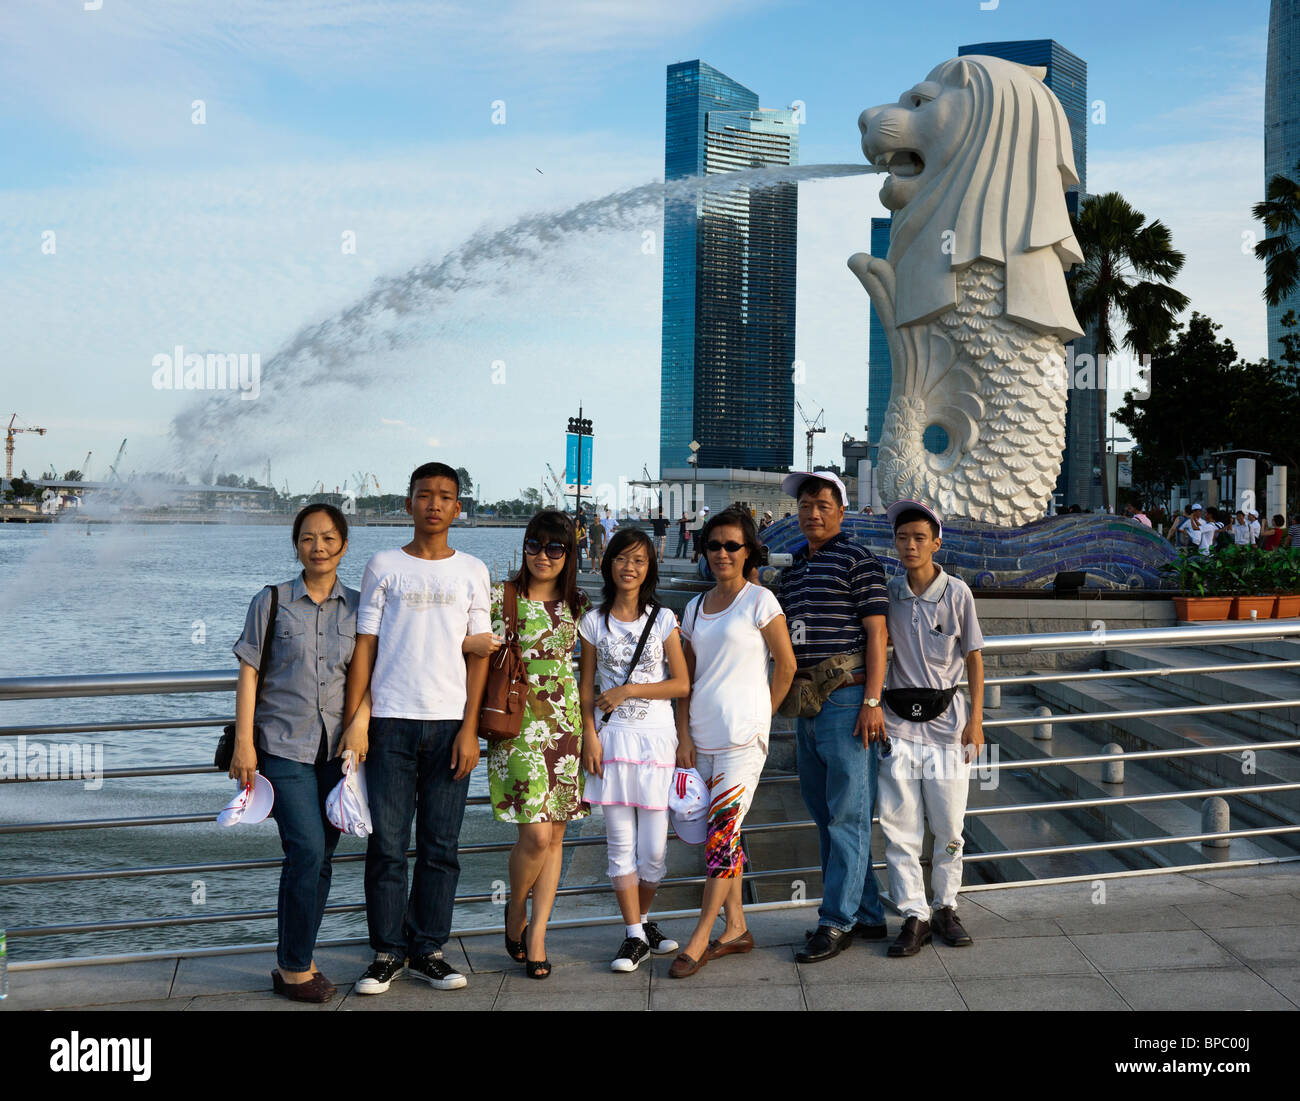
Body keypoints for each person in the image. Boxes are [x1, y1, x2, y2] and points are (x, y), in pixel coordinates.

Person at [345, 462, 490, 995]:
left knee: (440, 845)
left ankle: (428, 948)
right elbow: (366, 647)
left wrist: (470, 728)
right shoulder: (383, 564)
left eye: (445, 496)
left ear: (457, 507)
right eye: (424, 495)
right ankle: (387, 951)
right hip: (389, 725)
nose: (433, 504)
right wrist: (355, 718)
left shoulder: (473, 570)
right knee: (385, 844)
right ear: (408, 504)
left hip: (451, 723)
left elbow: (480, 656)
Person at [230, 504, 370, 1003]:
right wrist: (244, 743)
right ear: (297, 545)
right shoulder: (270, 602)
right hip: (281, 748)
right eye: (308, 538)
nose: (318, 547)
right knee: (307, 850)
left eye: (329, 538)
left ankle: (302, 958)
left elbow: (367, 677)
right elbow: (249, 672)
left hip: (337, 753)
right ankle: (292, 968)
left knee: (324, 859)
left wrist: (360, 727)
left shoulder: (358, 607)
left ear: (344, 546)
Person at [670, 507, 796, 977]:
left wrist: (762, 716)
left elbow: (785, 665)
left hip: (743, 741)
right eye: (714, 545)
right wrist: (683, 735)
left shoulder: (760, 601)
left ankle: (701, 936)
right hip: (701, 738)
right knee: (726, 834)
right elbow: (685, 678)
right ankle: (737, 927)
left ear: (748, 552)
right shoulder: (695, 608)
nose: (722, 553)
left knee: (720, 837)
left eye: (732, 546)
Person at [777, 470, 890, 963]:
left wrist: (871, 701)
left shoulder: (858, 561)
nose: (813, 512)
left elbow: (877, 635)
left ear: (841, 512)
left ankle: (835, 920)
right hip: (805, 702)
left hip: (846, 699)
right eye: (805, 505)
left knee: (847, 812)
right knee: (825, 813)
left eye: (823, 505)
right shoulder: (795, 568)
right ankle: (866, 914)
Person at [481, 511, 590, 979]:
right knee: (536, 834)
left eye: (554, 548)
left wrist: (590, 729)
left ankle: (539, 934)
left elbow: (586, 673)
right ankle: (515, 909)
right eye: (534, 545)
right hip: (516, 722)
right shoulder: (499, 598)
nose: (542, 556)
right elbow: (473, 657)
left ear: (569, 555)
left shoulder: (578, 604)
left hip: (565, 724)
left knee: (558, 833)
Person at [578, 528, 690, 972]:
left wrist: (628, 689)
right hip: (613, 742)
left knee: (656, 850)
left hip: (657, 742)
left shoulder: (663, 620)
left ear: (649, 569)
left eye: (639, 561)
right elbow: (585, 688)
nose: (630, 568)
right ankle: (633, 935)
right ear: (608, 564)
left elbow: (681, 683)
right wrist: (589, 735)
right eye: (622, 559)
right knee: (619, 845)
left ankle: (641, 925)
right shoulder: (593, 621)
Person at [877, 500, 985, 957]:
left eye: (920, 538)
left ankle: (945, 905)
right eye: (903, 538)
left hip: (947, 727)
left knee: (950, 826)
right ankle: (913, 915)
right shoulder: (888, 594)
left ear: (936, 543)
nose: (910, 545)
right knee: (899, 829)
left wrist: (976, 721)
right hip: (898, 726)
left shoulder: (957, 593)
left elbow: (975, 658)